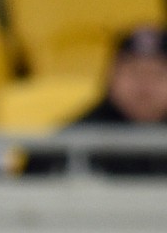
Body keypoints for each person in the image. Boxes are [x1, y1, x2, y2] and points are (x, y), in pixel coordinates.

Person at [26, 26, 167, 176]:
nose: (145, 84)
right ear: (110, 76)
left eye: (157, 74)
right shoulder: (70, 144)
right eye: (133, 72)